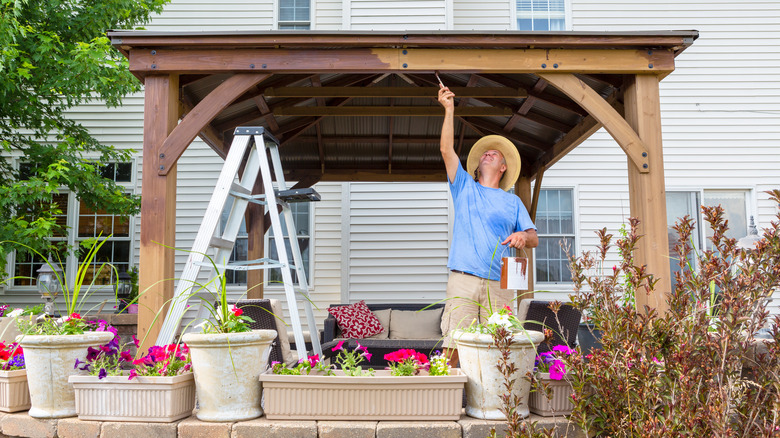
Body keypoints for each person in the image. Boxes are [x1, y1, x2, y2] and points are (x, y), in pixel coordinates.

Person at [437, 85, 538, 365]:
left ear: (503, 168)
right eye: (484, 153)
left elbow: (533, 238)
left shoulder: (513, 202)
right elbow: (446, 149)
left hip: (500, 285)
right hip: (464, 279)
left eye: (494, 154)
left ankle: (494, 405)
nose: (487, 154)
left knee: (499, 347)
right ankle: (447, 403)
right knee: (455, 345)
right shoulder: (465, 188)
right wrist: (449, 110)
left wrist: (521, 236)